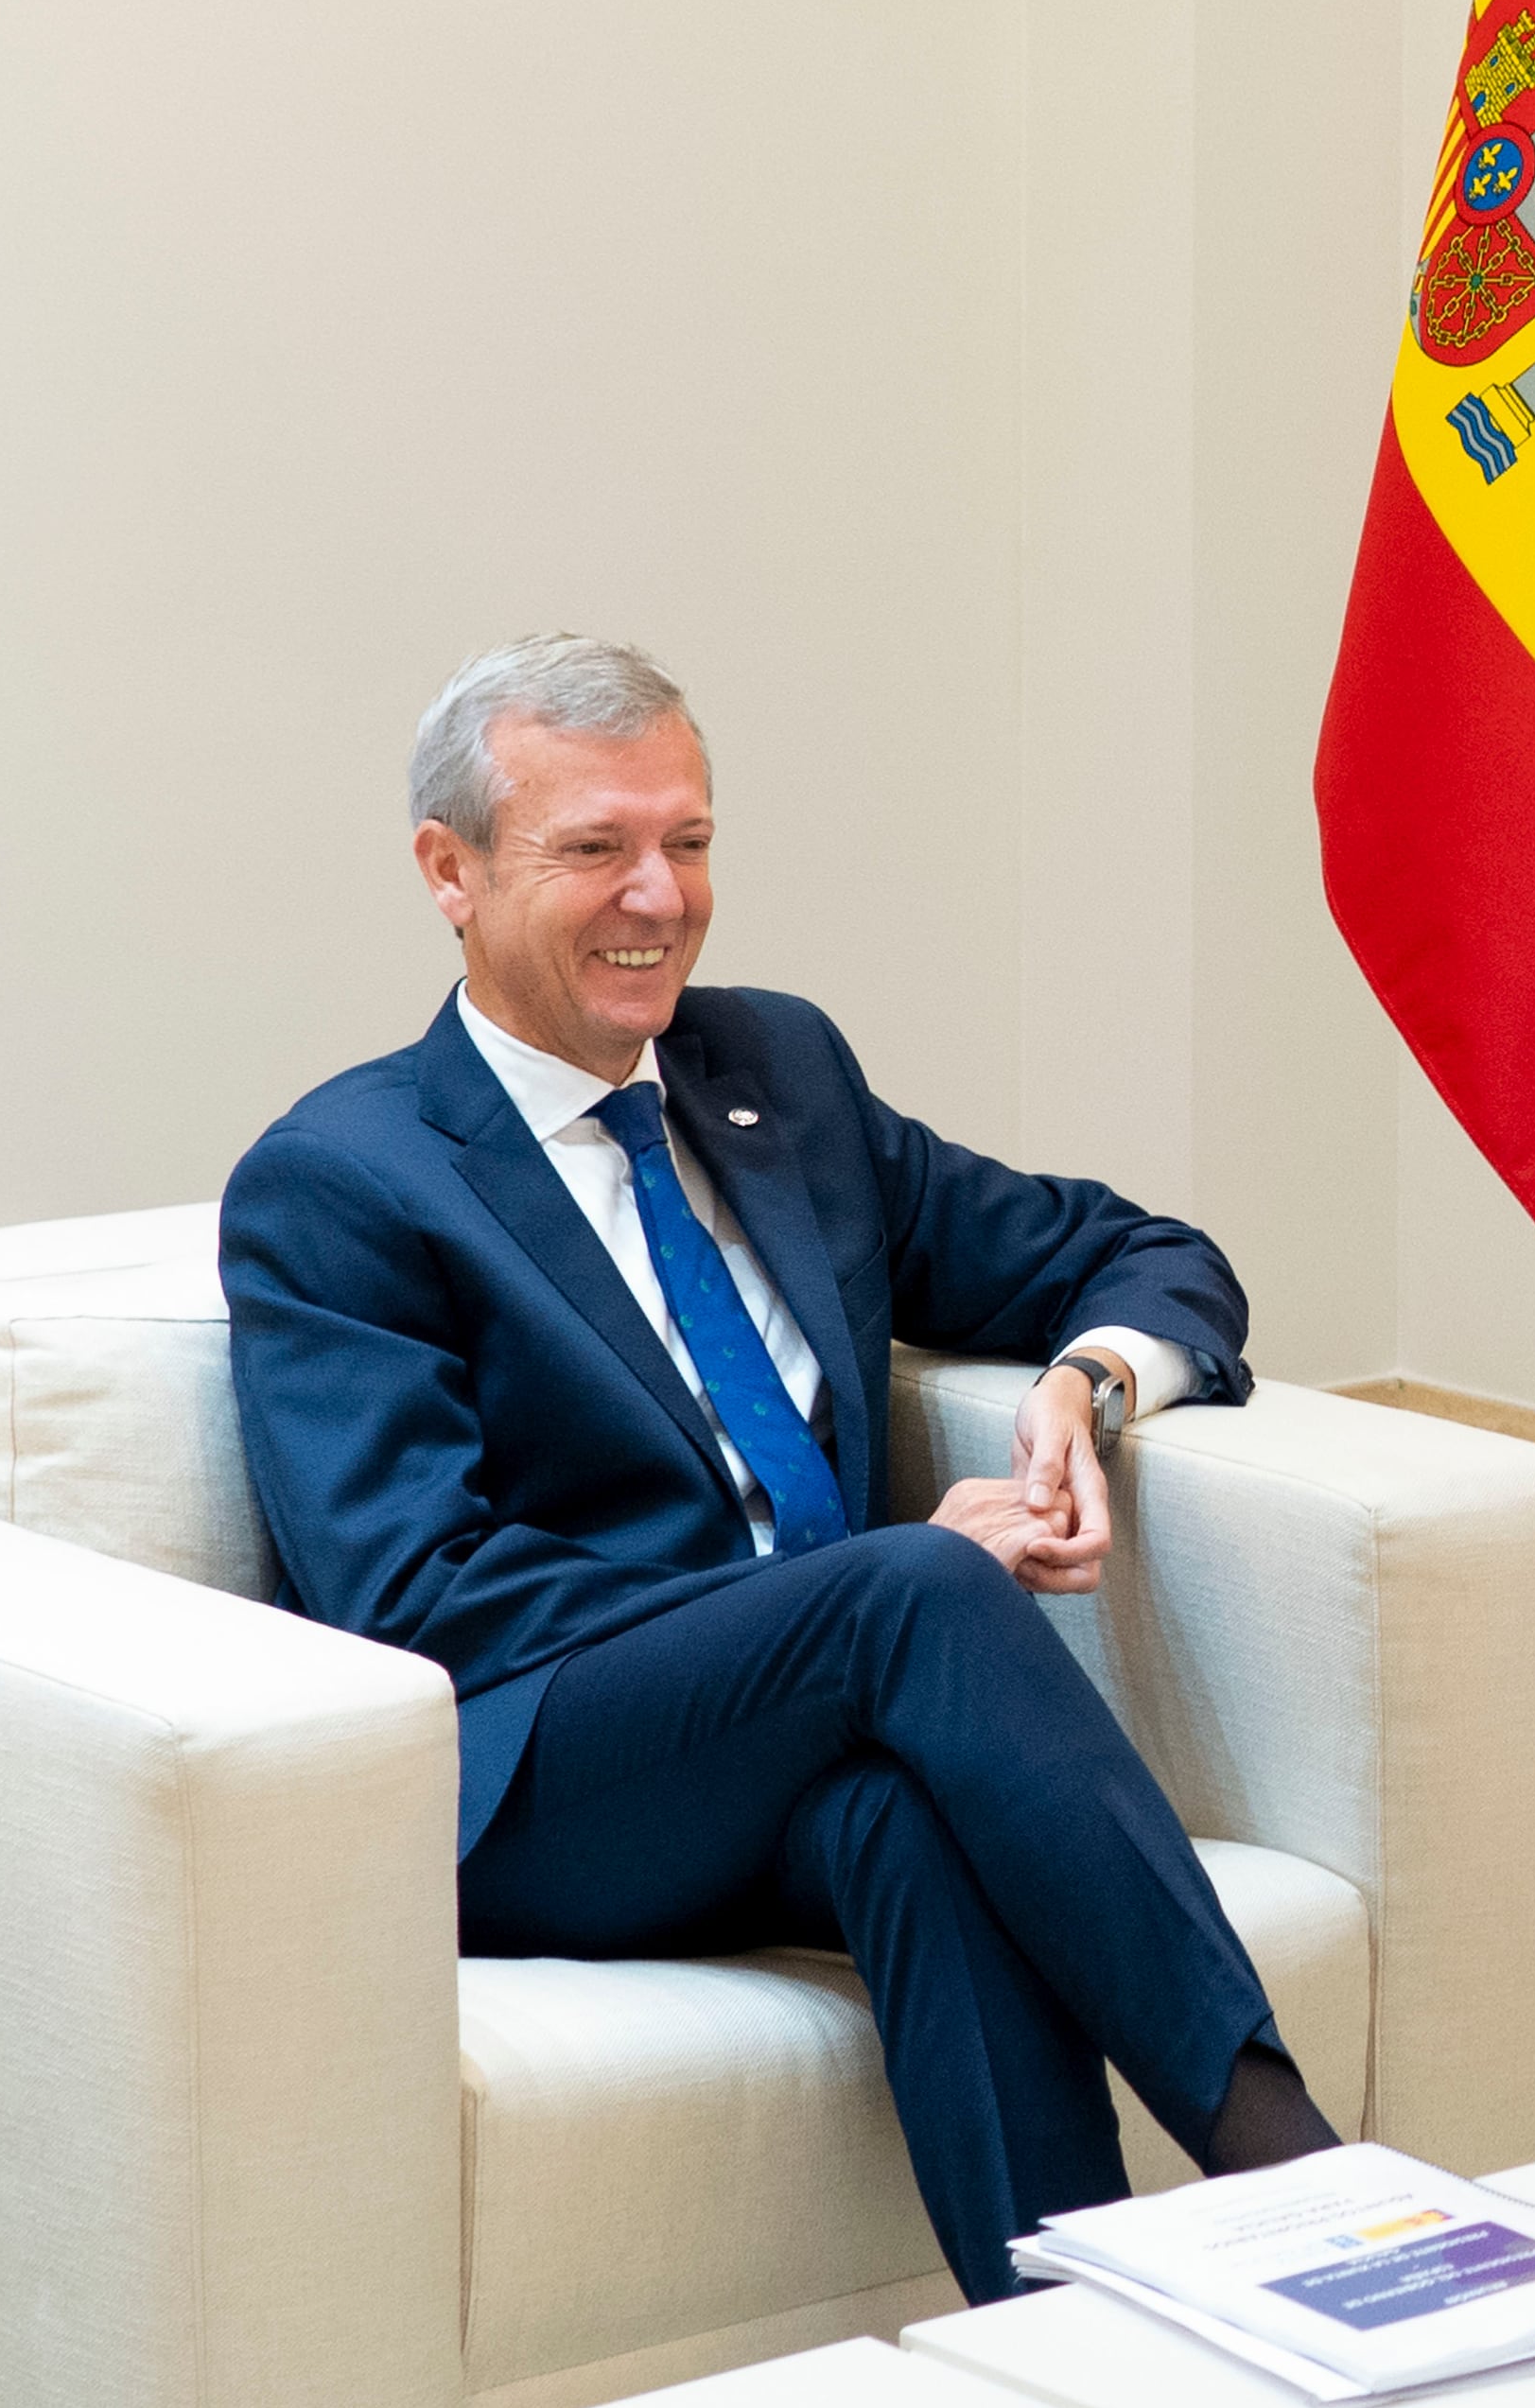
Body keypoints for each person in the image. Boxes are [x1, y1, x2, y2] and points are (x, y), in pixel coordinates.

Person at [222, 633, 1335, 2304]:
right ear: (448, 873)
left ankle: (1088, 2350)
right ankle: (1303, 2175)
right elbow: (421, 1597)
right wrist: (828, 1600)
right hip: (537, 1788)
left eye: (689, 841)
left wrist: (1093, 1381)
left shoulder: (776, 1075)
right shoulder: (343, 1182)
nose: (657, 897)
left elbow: (1139, 1250)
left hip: (807, 1745)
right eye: (594, 848)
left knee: (900, 1809)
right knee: (909, 1588)